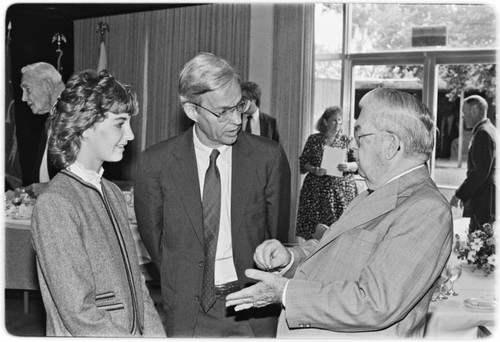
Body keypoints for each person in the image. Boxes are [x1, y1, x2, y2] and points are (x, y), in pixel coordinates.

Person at [226, 87, 453, 338]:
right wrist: (290, 257)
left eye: (360, 134)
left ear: (391, 145)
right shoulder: (375, 192)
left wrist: (285, 292)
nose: (353, 144)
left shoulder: (426, 209)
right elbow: (332, 248)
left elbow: (375, 303)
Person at [134, 52, 291, 337]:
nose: (236, 120)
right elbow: (155, 242)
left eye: (239, 106)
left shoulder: (268, 157)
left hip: (252, 306)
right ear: (192, 111)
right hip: (188, 312)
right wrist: (181, 280)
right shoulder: (156, 163)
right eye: (223, 111)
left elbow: (275, 234)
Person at [31, 70, 166, 337]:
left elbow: (137, 284)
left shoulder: (112, 192)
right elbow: (79, 312)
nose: (129, 135)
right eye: (119, 123)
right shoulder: (56, 203)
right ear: (86, 127)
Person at [295, 106, 358, 240]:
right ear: (325, 122)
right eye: (334, 120)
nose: (337, 124)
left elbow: (358, 164)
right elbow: (303, 162)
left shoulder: (348, 140)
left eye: (339, 120)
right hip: (315, 193)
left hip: (340, 193)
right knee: (314, 233)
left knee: (339, 231)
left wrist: (347, 165)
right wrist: (314, 169)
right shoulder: (314, 139)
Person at [450, 95, 496, 231]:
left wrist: (460, 194)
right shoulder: (490, 130)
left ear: (474, 110)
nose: (463, 117)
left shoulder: (483, 133)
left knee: (479, 246)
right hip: (488, 200)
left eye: (464, 112)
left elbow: (479, 172)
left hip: (484, 201)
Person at [20, 62, 65, 196]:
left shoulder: (76, 117)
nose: (23, 98)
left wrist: (48, 188)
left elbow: (87, 178)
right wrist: (23, 193)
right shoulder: (52, 118)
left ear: (47, 85)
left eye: (27, 89)